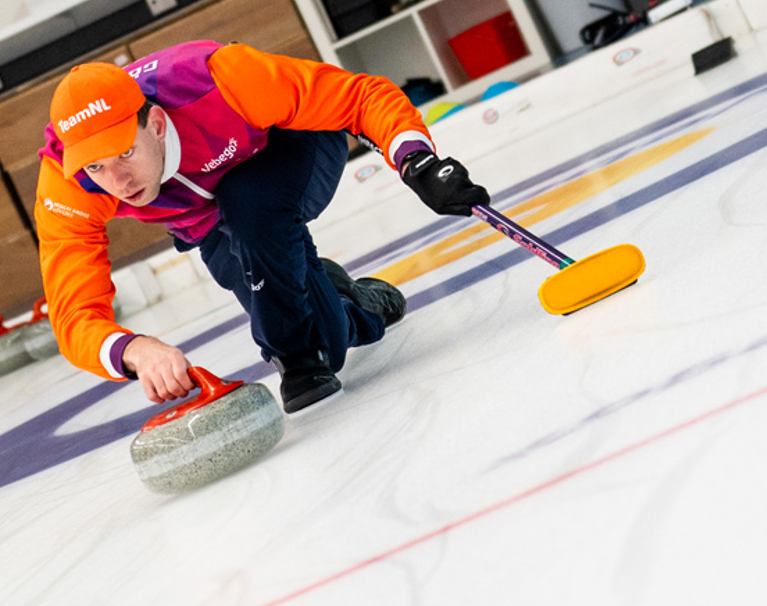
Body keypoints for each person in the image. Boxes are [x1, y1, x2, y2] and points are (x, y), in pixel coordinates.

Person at [33, 40, 490, 412]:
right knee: (319, 336)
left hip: (291, 148)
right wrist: (135, 350)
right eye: (96, 167)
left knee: (252, 210)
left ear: (155, 124)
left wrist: (415, 159)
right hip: (207, 219)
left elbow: (358, 95)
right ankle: (354, 304)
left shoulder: (217, 79)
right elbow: (73, 316)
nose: (117, 182)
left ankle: (296, 359)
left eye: (125, 153)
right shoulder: (67, 182)